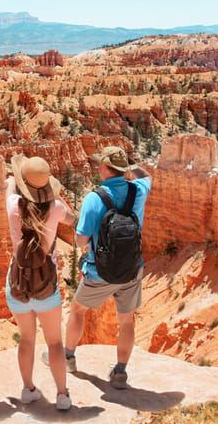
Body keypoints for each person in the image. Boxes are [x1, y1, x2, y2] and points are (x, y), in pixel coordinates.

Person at [57, 145, 151, 389]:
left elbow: (80, 239)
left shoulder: (94, 198)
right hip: (131, 269)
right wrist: (130, 167)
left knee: (78, 310)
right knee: (127, 321)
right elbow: (147, 175)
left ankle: (68, 358)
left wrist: (86, 248)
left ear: (103, 168)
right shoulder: (138, 189)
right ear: (123, 169)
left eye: (100, 164)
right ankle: (120, 372)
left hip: (100, 272)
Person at [5, 155, 75, 411]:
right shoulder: (55, 207)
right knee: (55, 342)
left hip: (18, 281)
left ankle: (28, 389)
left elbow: (10, 187)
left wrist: (14, 179)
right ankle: (62, 395)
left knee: (26, 340)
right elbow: (70, 218)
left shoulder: (13, 204)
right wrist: (55, 196)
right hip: (47, 283)